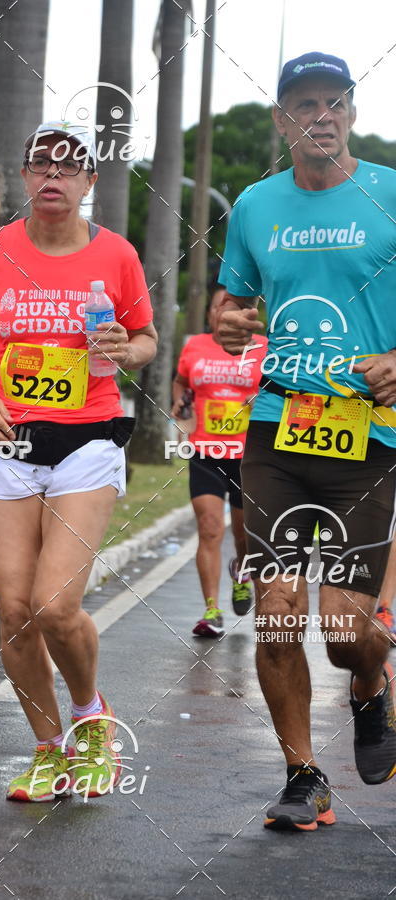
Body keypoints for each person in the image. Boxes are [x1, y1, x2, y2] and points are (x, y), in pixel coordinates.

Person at [0, 121, 157, 802]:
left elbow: (148, 339)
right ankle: (46, 748)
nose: (53, 177)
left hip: (88, 440)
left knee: (53, 605)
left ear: (90, 181)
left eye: (69, 167)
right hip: (8, 444)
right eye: (42, 163)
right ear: (24, 175)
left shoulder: (118, 256)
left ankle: (91, 718)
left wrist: (128, 351)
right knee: (12, 610)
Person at [216, 52, 396, 831]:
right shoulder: (255, 205)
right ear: (281, 120)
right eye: (302, 105)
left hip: (368, 436)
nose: (319, 116)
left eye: (333, 103)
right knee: (280, 610)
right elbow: (233, 302)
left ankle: (371, 686)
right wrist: (228, 320)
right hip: (276, 428)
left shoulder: (390, 192)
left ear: (351, 112)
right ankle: (302, 775)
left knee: (347, 633)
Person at [171, 280, 266, 637]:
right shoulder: (194, 346)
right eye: (216, 306)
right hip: (206, 451)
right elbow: (181, 382)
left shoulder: (262, 348)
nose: (221, 312)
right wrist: (180, 402)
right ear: (211, 313)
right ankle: (211, 610)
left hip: (249, 455)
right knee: (210, 527)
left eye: (229, 306)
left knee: (246, 536)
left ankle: (242, 569)